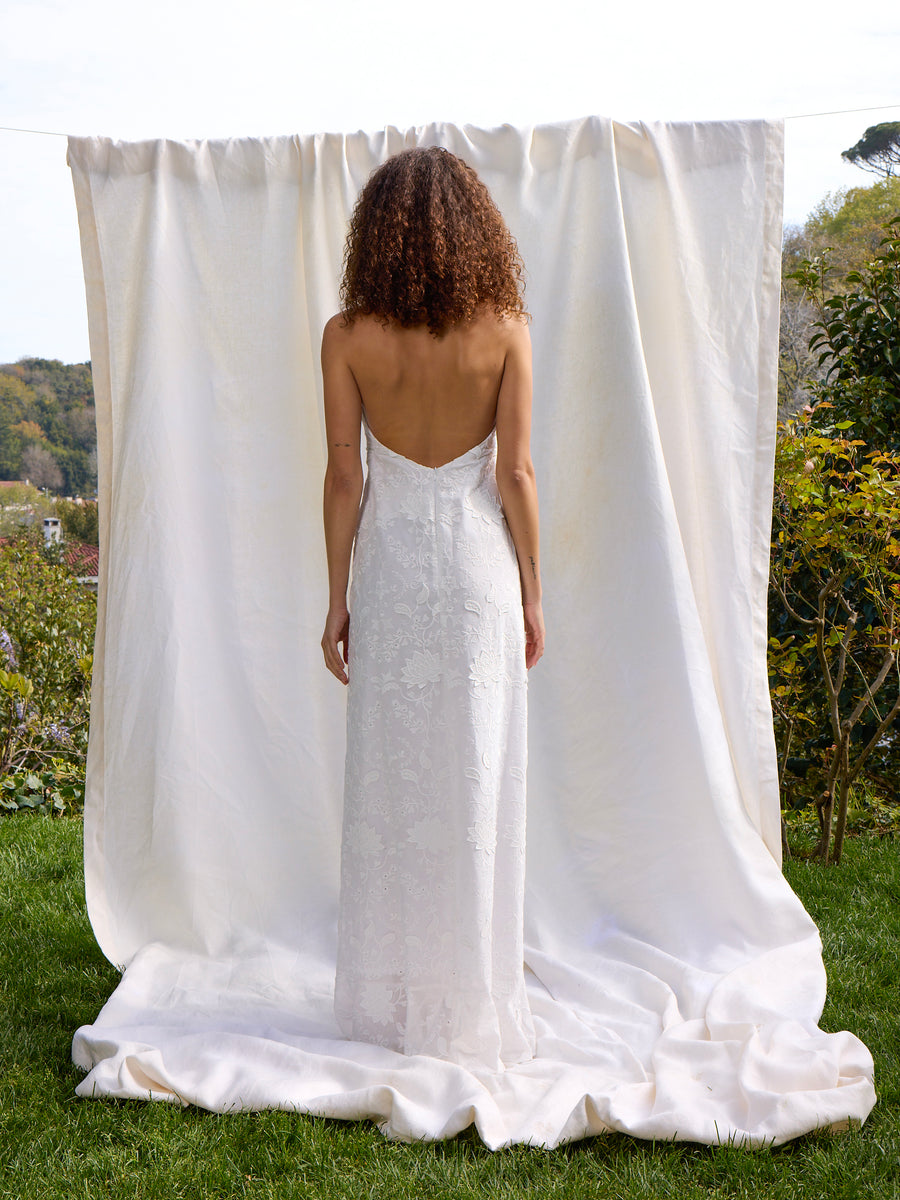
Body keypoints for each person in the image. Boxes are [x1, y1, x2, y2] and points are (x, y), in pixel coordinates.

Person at [319, 146, 544, 1070]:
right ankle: (473, 994)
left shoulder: (346, 337)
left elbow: (345, 475)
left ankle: (393, 1002)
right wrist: (534, 590)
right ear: (474, 230)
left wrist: (335, 597)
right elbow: (515, 473)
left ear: (374, 236)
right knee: (475, 776)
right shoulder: (506, 330)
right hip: (479, 575)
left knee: (393, 781)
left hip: (393, 571)